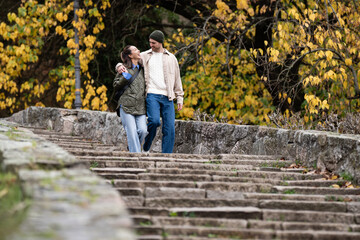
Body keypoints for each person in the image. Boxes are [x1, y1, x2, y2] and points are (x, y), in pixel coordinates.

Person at [116, 30, 184, 153]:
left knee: (169, 129)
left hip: (168, 96)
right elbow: (128, 60)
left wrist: (180, 97)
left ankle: (166, 157)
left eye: (153, 43)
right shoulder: (145, 55)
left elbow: (177, 79)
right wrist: (118, 66)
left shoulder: (172, 58)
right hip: (152, 94)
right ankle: (146, 146)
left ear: (160, 42)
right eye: (150, 42)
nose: (151, 45)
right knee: (154, 121)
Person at [113, 45, 147, 153]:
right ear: (130, 55)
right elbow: (115, 85)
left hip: (140, 106)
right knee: (131, 132)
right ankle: (136, 157)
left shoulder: (142, 69)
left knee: (143, 131)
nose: (139, 51)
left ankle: (132, 148)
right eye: (136, 50)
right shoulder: (123, 68)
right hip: (126, 105)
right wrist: (124, 76)